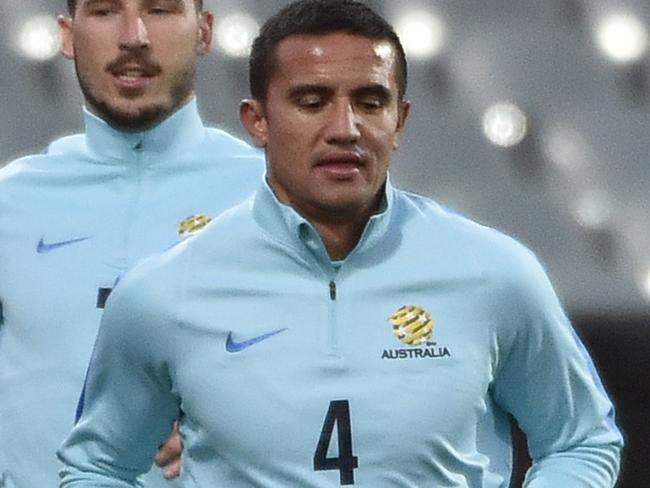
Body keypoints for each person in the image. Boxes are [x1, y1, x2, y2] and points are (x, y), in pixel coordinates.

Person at [58, 0, 623, 486]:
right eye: (311, 101)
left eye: (370, 102)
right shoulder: (163, 292)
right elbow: (96, 467)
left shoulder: (496, 273)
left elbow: (581, 439)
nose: (345, 128)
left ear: (400, 121)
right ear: (257, 120)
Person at [0, 0, 264, 486]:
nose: (133, 36)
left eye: (160, 10)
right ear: (67, 35)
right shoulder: (10, 202)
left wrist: (254, 429)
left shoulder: (273, 199)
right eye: (104, 11)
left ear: (204, 32)